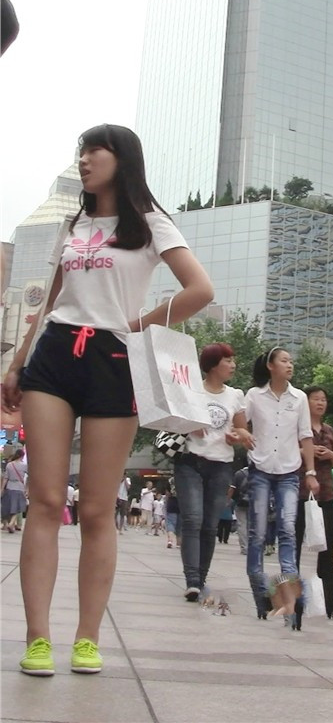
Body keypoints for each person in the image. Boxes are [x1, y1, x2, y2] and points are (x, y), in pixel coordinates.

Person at [1, 123, 213, 677]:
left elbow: (200, 290)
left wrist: (137, 324)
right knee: (46, 500)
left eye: (95, 150)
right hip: (54, 355)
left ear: (122, 159)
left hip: (113, 361)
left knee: (96, 509)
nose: (85, 159)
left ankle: (87, 639)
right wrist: (17, 362)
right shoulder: (72, 225)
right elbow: (51, 299)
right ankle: (38, 638)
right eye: (82, 151)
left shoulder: (150, 223)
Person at [174, 342, 252, 602]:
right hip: (190, 462)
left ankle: (201, 577)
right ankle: (192, 581)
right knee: (192, 519)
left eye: (233, 360)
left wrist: (237, 436)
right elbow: (172, 419)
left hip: (221, 465)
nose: (233, 365)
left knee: (209, 525)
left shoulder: (235, 395)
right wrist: (189, 424)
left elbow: (242, 429)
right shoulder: (191, 390)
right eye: (227, 360)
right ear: (212, 365)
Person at [245, 348, 318, 622]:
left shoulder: (299, 398)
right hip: (260, 469)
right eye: (284, 361)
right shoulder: (254, 395)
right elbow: (239, 421)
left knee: (287, 530)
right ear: (270, 366)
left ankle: (290, 597)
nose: (290, 365)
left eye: (291, 361)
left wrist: (310, 471)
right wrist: (241, 434)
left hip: (289, 471)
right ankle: (261, 595)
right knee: (257, 533)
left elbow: (306, 435)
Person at [295, 386, 333, 620]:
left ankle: (330, 598)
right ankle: (292, 595)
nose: (321, 403)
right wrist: (308, 451)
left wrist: (330, 455)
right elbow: (286, 452)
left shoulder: (329, 430)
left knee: (326, 546)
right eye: (316, 399)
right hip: (299, 491)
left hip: (325, 493)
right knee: (294, 542)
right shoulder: (297, 427)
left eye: (324, 399)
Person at [1, 449, 28, 533]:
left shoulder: (9, 465)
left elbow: (5, 478)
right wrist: (27, 488)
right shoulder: (24, 465)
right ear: (22, 456)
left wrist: (2, 489)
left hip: (9, 487)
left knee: (9, 506)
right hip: (19, 488)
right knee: (18, 507)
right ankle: (11, 523)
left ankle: (9, 524)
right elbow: (30, 476)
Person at [228, 465, 249, 555]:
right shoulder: (258, 473)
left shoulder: (239, 474)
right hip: (255, 503)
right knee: (253, 525)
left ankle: (245, 547)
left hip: (241, 502)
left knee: (241, 525)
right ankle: (254, 547)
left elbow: (232, 489)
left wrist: (228, 500)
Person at [165, 480, 180, 548]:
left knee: (170, 522)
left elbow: (167, 493)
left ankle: (170, 540)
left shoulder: (171, 480)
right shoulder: (185, 478)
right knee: (180, 524)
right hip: (182, 503)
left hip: (172, 502)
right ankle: (178, 543)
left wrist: (166, 503)